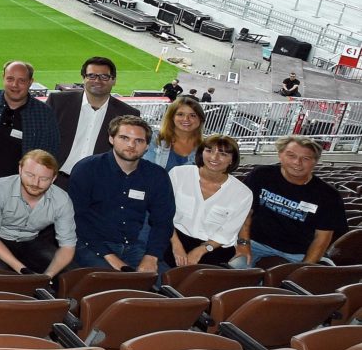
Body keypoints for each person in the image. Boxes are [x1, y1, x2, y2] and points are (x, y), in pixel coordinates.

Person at [66, 116, 173, 272]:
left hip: (135, 246)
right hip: (90, 244)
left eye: (139, 141)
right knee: (115, 284)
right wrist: (108, 255)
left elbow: (163, 222)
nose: (131, 145)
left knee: (168, 285)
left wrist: (152, 256)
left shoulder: (157, 175)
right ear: (111, 139)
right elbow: (75, 218)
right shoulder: (87, 169)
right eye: (124, 138)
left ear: (147, 146)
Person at [234, 135, 349, 266]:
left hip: (299, 251)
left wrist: (304, 268)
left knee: (316, 281)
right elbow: (245, 213)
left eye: (306, 158)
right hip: (256, 242)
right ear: (280, 155)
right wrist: (243, 244)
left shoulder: (329, 195)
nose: (297, 162)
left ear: (315, 161)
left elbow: (322, 237)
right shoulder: (261, 175)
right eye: (291, 156)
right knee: (235, 270)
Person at [0, 150, 77, 276]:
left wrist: (48, 275)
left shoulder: (62, 200)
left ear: (54, 178)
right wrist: (23, 270)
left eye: (44, 178)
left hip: (29, 239)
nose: (35, 183)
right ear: (20, 169)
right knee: (0, 272)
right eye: (30, 175)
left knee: (71, 273)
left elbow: (67, 246)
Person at [0, 61, 61, 184]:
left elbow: (50, 156)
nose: (15, 85)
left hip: (19, 192)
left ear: (30, 82)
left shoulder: (44, 114)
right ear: (3, 78)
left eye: (21, 81)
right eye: (10, 79)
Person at [50, 57, 140, 177]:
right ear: (83, 78)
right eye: (91, 76)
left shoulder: (128, 114)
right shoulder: (58, 102)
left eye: (104, 77)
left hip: (98, 185)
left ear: (114, 80)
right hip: (55, 179)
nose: (97, 81)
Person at [169, 135, 251, 267]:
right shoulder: (178, 174)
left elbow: (227, 232)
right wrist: (176, 245)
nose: (214, 157)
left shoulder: (243, 193)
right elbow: (163, 214)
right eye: (209, 151)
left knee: (203, 281)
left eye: (223, 154)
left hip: (215, 247)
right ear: (201, 153)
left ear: (232, 160)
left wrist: (202, 250)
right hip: (173, 237)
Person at [146, 96, 205, 170]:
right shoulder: (155, 140)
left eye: (193, 115)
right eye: (180, 114)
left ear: (200, 119)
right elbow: (147, 171)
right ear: (171, 117)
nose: (186, 119)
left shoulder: (207, 147)